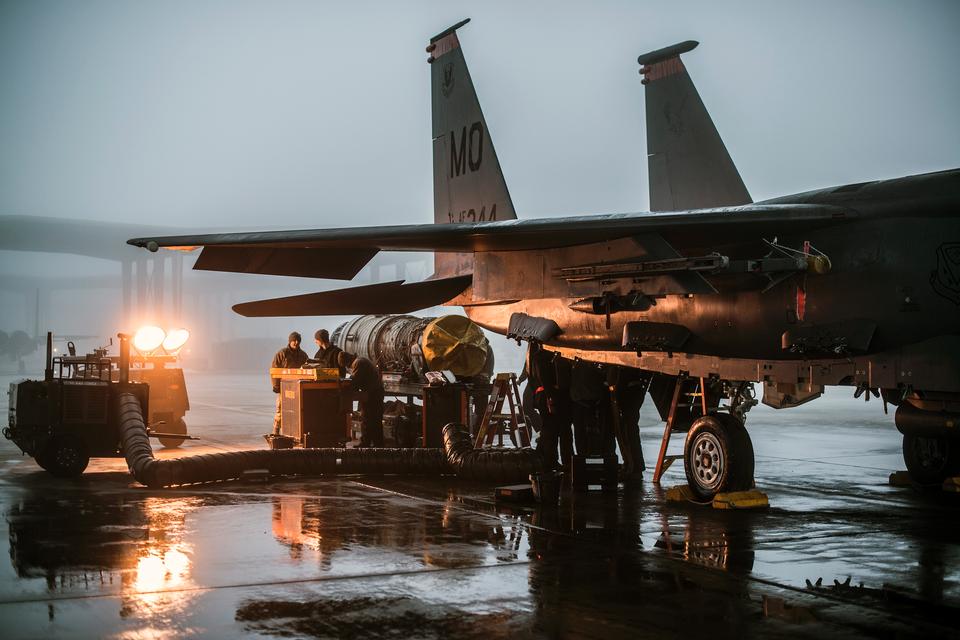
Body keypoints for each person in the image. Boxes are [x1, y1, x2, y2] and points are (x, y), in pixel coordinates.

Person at [339, 351, 384, 447]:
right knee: (374, 420)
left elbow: (354, 381)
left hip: (373, 394)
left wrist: (343, 386)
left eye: (346, 366)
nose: (347, 368)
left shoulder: (359, 363)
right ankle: (377, 444)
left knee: (368, 419)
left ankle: (367, 443)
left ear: (347, 362)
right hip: (374, 393)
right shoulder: (360, 361)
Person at [270, 332, 309, 434]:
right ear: (290, 341)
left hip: (298, 388)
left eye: (298, 341)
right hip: (284, 387)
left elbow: (307, 369)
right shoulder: (282, 354)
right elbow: (275, 369)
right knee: (281, 409)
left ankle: (294, 431)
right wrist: (276, 385)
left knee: (297, 410)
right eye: (294, 340)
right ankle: (276, 431)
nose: (296, 342)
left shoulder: (303, 355)